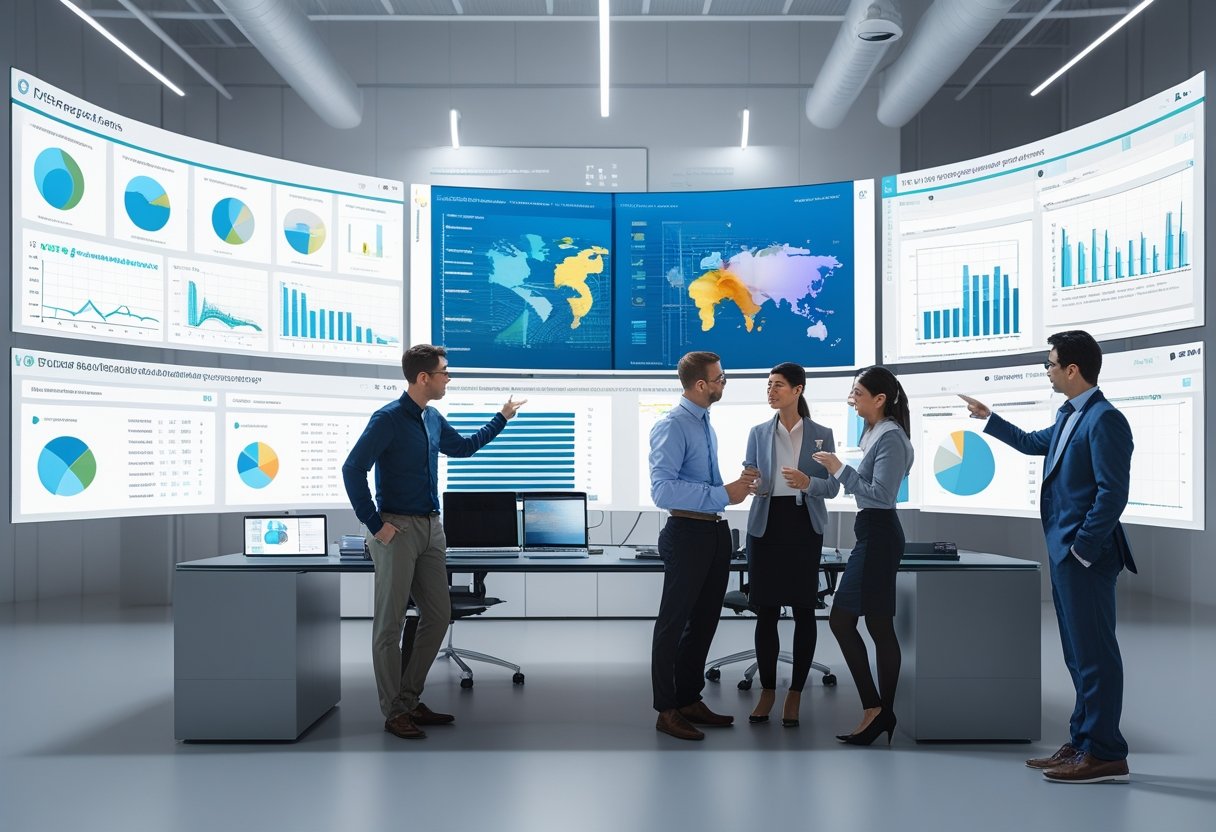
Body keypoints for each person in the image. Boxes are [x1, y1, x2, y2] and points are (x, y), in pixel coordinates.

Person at [960, 330, 1135, 784]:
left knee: (1096, 656)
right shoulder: (1068, 415)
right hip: (1065, 552)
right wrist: (989, 417)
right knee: (1077, 656)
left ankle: (1106, 752)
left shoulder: (1105, 419)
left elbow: (1112, 494)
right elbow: (1035, 444)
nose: (1048, 371)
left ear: (1072, 369)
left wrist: (1081, 547)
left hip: (1085, 556)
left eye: (1051, 363)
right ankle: (1081, 743)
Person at [342, 344, 525, 740]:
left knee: (438, 615)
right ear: (423, 377)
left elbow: (462, 448)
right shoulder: (387, 419)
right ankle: (394, 713)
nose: (448, 378)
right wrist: (376, 525)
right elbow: (353, 469)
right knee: (388, 626)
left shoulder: (432, 418)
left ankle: (409, 699)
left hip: (431, 528)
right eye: (444, 372)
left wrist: (501, 418)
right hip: (397, 529)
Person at [649, 351, 758, 741]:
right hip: (687, 533)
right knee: (673, 625)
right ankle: (667, 710)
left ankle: (689, 698)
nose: (723, 383)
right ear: (700, 385)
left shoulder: (705, 423)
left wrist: (735, 489)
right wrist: (721, 493)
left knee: (704, 622)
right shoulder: (673, 425)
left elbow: (704, 487)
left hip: (714, 533)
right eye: (720, 378)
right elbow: (662, 490)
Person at [812, 365, 913, 746]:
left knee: (848, 621)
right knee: (876, 626)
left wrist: (840, 468)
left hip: (880, 533)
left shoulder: (890, 437)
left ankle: (878, 710)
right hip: (871, 532)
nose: (851, 399)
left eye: (857, 393)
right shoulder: (874, 432)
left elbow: (882, 495)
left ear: (879, 399)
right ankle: (880, 712)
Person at [742, 362, 840, 727]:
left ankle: (795, 692)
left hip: (803, 525)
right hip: (765, 526)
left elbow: (832, 487)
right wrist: (751, 482)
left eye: (778, 385)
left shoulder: (821, 434)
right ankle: (768, 689)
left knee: (803, 610)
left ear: (798, 390)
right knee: (766, 610)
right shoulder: (757, 431)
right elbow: (749, 475)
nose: (771, 391)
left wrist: (807, 482)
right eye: (768, 385)